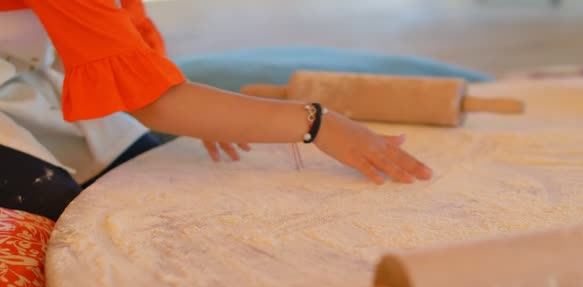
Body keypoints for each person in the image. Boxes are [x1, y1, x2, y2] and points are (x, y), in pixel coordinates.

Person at [0, 0, 432, 222]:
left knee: (137, 178)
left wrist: (197, 106)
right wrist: (319, 125)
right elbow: (153, 104)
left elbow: (128, 38)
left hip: (27, 73)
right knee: (52, 201)